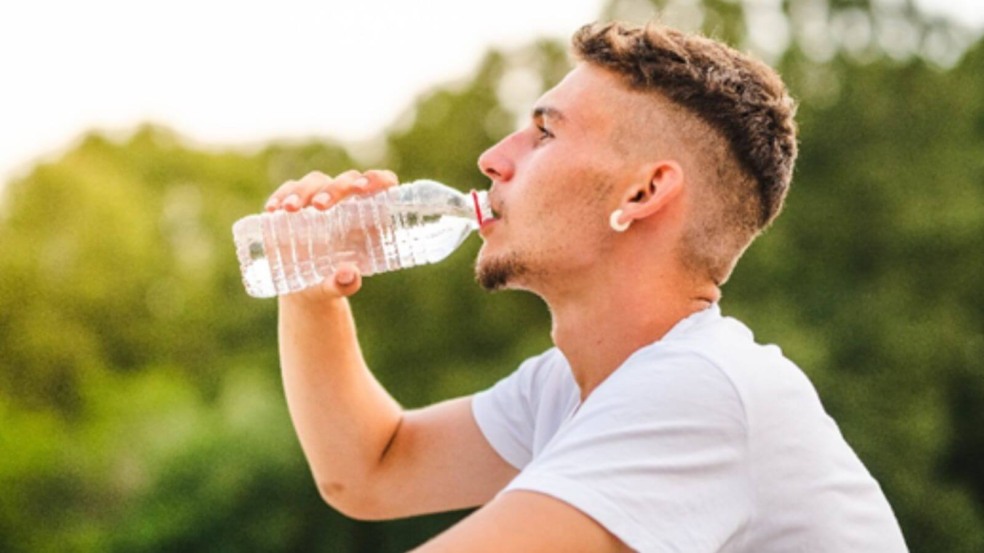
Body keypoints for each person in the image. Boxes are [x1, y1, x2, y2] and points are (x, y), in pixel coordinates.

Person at [262, 21, 908, 552]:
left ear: (643, 192)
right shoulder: (568, 387)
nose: (493, 158)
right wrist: (309, 289)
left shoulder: (701, 388)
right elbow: (372, 469)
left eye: (545, 133)